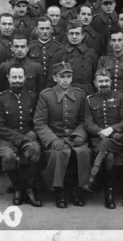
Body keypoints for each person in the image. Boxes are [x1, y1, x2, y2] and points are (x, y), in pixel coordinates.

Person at [34, 62, 92, 208]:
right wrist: (52, 139)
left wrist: (80, 135)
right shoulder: (46, 95)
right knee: (59, 154)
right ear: (55, 78)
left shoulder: (80, 94)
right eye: (62, 77)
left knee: (82, 152)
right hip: (56, 137)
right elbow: (40, 122)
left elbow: (85, 120)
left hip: (74, 138)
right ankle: (60, 192)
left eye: (68, 76)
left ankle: (75, 190)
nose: (65, 80)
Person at [83, 68, 123, 209]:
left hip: (117, 138)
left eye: (106, 81)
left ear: (110, 81)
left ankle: (92, 178)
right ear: (95, 83)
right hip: (99, 139)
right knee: (108, 156)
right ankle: (108, 194)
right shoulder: (90, 100)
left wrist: (111, 129)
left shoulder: (120, 97)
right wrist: (102, 131)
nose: (103, 84)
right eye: (100, 81)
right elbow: (88, 124)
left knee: (107, 147)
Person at [0, 64, 41, 207]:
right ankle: (17, 188)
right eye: (14, 77)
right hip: (6, 139)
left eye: (19, 77)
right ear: (8, 78)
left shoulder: (32, 97)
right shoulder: (1, 98)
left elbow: (39, 119)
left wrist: (34, 131)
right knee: (8, 157)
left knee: (34, 150)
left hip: (28, 136)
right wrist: (19, 138)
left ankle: (29, 189)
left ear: (24, 78)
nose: (17, 80)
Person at [47, 19, 98, 95]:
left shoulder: (91, 54)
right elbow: (51, 79)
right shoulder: (59, 54)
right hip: (65, 92)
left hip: (87, 92)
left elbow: (95, 78)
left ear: (83, 36)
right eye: (71, 33)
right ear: (67, 35)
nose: (74, 37)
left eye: (77, 33)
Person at [97, 29, 123, 94]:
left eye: (119, 40)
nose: (116, 43)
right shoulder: (103, 60)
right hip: (107, 96)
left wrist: (122, 96)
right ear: (110, 43)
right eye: (114, 40)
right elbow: (100, 80)